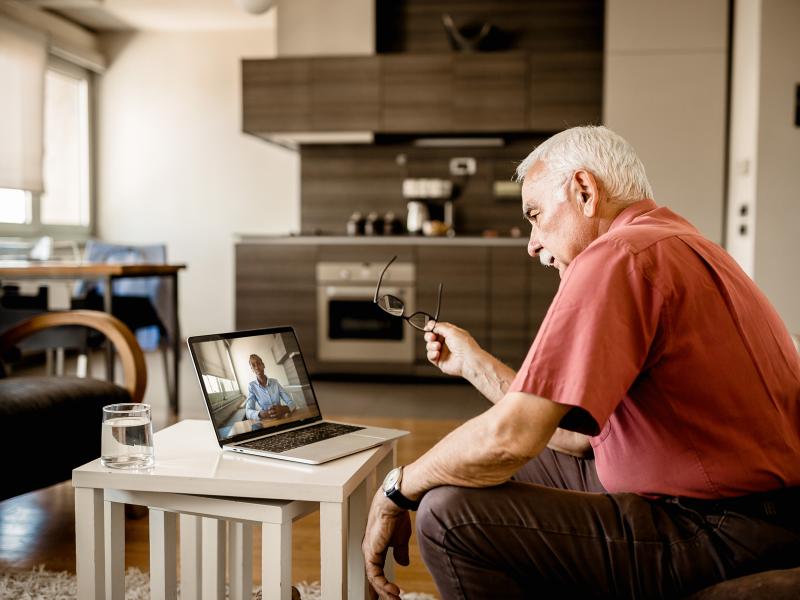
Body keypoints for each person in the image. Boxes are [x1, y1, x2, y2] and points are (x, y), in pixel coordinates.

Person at [361, 126, 800, 599]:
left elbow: (510, 438)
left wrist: (397, 487)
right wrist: (473, 363)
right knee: (469, 467)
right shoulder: (676, 242)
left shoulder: (617, 256)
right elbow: (572, 436)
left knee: (448, 516)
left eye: (536, 215)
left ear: (585, 192)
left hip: (719, 528)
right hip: (764, 513)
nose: (531, 243)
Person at [244, 353, 296, 420]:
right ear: (252, 369)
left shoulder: (275, 382)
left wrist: (283, 409)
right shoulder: (252, 386)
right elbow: (248, 412)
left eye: (259, 363)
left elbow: (292, 403)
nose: (257, 367)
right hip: (267, 421)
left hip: (281, 418)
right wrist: (262, 414)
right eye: (253, 365)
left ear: (263, 365)